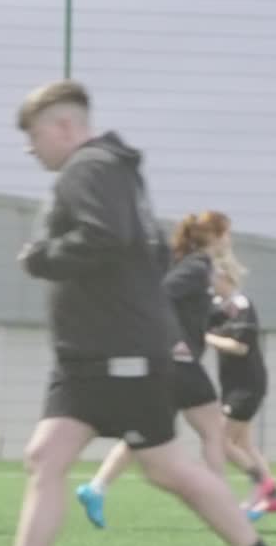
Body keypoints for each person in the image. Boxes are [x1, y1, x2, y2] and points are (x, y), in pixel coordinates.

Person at [0, 79, 276, 546]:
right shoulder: (115, 170)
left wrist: (42, 258)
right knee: (47, 456)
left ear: (63, 127)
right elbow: (145, 250)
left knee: (168, 470)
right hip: (92, 354)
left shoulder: (91, 168)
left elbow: (103, 237)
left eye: (35, 135)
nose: (30, 149)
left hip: (119, 354)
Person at [74, 211, 238, 527]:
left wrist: (216, 313)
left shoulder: (193, 266)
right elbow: (161, 297)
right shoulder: (196, 266)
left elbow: (183, 308)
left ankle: (96, 488)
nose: (230, 241)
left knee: (147, 433)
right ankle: (222, 502)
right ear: (215, 237)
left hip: (165, 363)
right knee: (213, 432)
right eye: (227, 234)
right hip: (179, 363)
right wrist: (174, 341)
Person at [207, 254, 276, 520]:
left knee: (221, 441)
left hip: (247, 385)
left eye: (213, 276)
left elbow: (240, 347)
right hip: (232, 385)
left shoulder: (241, 305)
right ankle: (273, 498)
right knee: (244, 444)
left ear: (226, 277)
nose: (209, 282)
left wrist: (205, 337)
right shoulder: (217, 306)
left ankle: (263, 489)